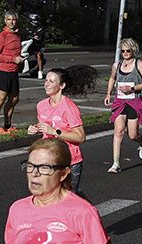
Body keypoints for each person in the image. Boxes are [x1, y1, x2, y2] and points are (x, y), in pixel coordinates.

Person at [27, 66, 98, 195]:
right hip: (49, 159)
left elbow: (80, 137)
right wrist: (35, 128)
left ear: (61, 85)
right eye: (46, 80)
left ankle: (83, 204)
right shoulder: (41, 105)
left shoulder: (69, 108)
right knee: (47, 195)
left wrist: (55, 132)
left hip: (69, 160)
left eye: (51, 81)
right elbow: (45, 126)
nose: (47, 84)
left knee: (68, 198)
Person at [104, 39, 142, 173]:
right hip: (120, 101)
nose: (125, 53)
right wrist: (108, 94)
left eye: (128, 50)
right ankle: (116, 163)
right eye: (122, 50)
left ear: (133, 50)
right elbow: (112, 78)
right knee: (118, 131)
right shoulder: (117, 64)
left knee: (132, 135)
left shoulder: (139, 64)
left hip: (134, 102)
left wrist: (132, 88)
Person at [0, 12, 23, 134]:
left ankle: (7, 125)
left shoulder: (17, 35)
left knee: (14, 99)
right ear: (5, 21)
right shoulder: (2, 36)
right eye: (9, 19)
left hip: (14, 72)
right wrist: (13, 59)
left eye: (13, 19)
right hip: (2, 72)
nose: (11, 22)